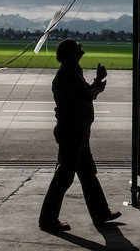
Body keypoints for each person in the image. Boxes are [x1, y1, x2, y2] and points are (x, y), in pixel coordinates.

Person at [39, 39, 121, 233]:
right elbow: (85, 97)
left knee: (87, 173)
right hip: (72, 132)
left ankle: (101, 212)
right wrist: (98, 86)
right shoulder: (67, 75)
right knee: (64, 177)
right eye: (78, 47)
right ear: (70, 53)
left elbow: (85, 93)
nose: (81, 50)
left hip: (79, 131)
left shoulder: (73, 71)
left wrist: (97, 82)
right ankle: (48, 220)